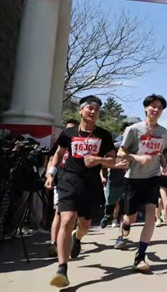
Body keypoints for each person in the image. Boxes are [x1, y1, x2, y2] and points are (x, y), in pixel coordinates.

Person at [46, 95, 127, 288]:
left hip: (91, 185)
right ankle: (62, 268)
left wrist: (97, 160)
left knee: (85, 224)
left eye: (97, 109)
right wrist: (51, 174)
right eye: (89, 108)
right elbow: (57, 155)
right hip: (68, 180)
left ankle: (77, 238)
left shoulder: (104, 135)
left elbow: (113, 160)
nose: (93, 111)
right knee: (66, 218)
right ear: (80, 111)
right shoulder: (68, 133)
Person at [115, 94, 167, 273]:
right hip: (133, 178)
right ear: (146, 108)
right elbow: (121, 153)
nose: (156, 109)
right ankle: (124, 229)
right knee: (130, 217)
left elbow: (160, 153)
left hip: (152, 177)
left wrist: (164, 165)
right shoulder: (133, 129)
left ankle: (140, 256)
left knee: (150, 215)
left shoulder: (163, 132)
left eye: (160, 107)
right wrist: (137, 157)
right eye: (153, 106)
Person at [46, 119, 80, 258]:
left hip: (76, 183)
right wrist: (50, 176)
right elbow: (52, 159)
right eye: (67, 129)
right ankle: (54, 244)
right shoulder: (60, 143)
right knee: (59, 213)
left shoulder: (80, 144)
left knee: (72, 215)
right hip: (61, 181)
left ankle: (71, 240)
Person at [100, 122, 130, 230]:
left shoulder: (136, 147)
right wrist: (117, 165)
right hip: (114, 181)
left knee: (123, 206)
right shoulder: (114, 146)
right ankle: (107, 216)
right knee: (110, 204)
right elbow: (102, 163)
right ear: (122, 132)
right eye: (127, 131)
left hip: (129, 181)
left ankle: (121, 234)